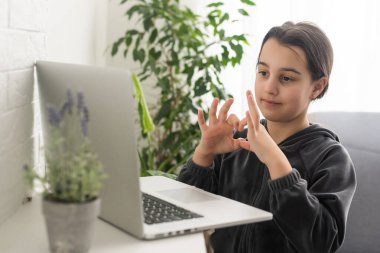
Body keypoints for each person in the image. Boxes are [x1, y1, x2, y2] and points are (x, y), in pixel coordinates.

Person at [177, 21, 357, 253]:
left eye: (286, 78)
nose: (269, 87)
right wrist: (205, 153)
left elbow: (322, 243)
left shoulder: (331, 158)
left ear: (317, 87)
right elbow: (183, 213)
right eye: (263, 72)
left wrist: (276, 161)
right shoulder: (238, 143)